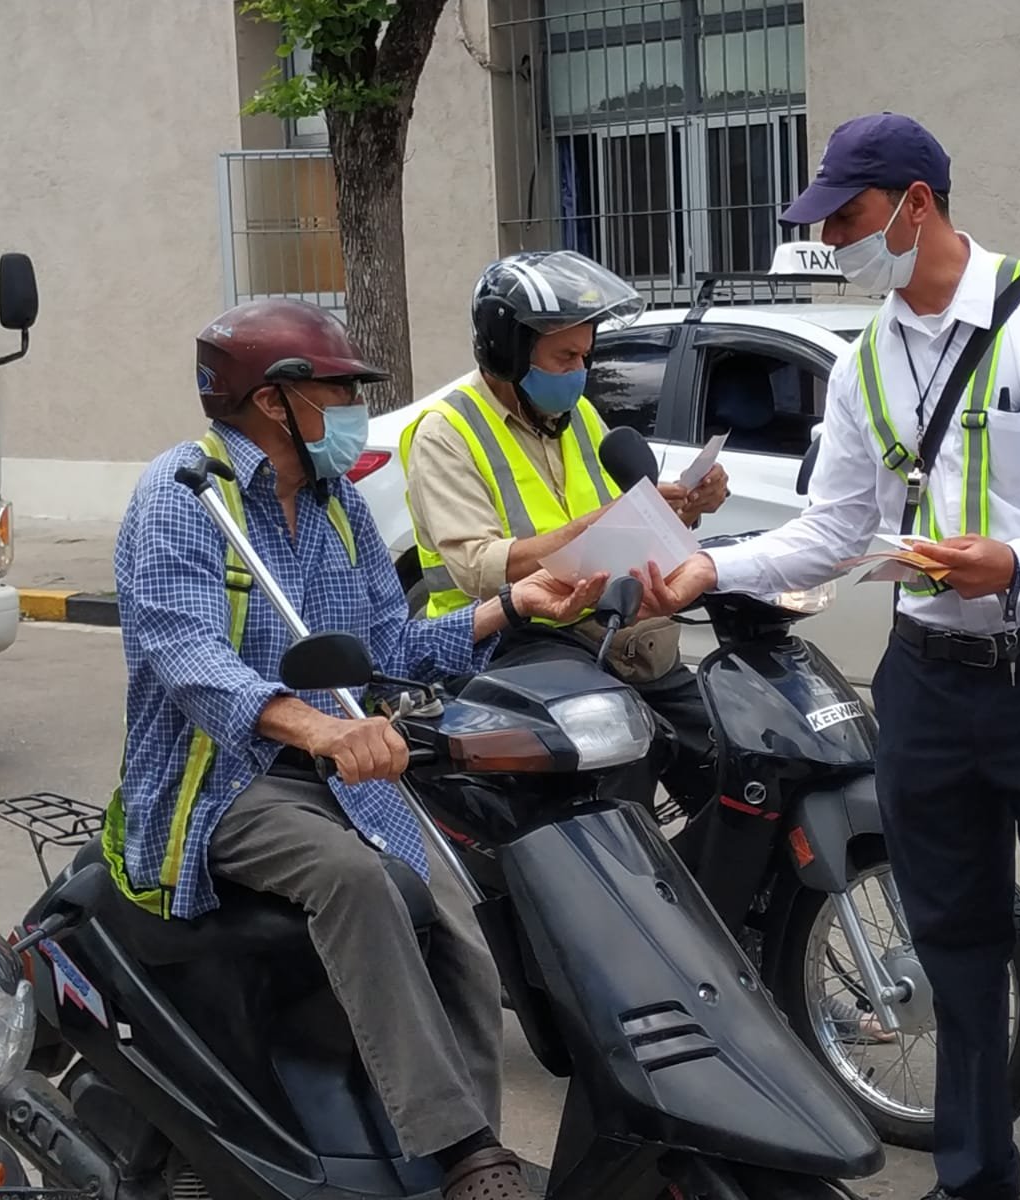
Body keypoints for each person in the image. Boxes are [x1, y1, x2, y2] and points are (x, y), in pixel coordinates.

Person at [633, 112, 1020, 1200]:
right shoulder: (864, 359)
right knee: (956, 950)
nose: (833, 237)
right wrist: (713, 570)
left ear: (915, 205)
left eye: (848, 215)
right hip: (928, 680)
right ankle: (973, 1179)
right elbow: (832, 529)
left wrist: (1015, 560)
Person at [108, 298, 601, 1200]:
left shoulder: (335, 504)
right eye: (337, 389)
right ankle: (463, 1153)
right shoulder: (183, 498)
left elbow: (388, 646)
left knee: (460, 928)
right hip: (222, 782)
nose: (354, 408)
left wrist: (514, 606)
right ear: (273, 401)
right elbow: (189, 659)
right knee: (356, 879)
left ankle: (466, 1155)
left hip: (343, 772)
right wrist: (325, 729)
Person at [401, 250, 728, 814]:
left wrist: (680, 507)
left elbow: (621, 527)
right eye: (564, 357)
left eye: (585, 354)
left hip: (604, 630)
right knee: (618, 753)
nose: (580, 369)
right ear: (507, 351)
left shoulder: (579, 417)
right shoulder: (445, 434)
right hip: (507, 638)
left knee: (727, 745)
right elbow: (480, 569)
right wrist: (592, 526)